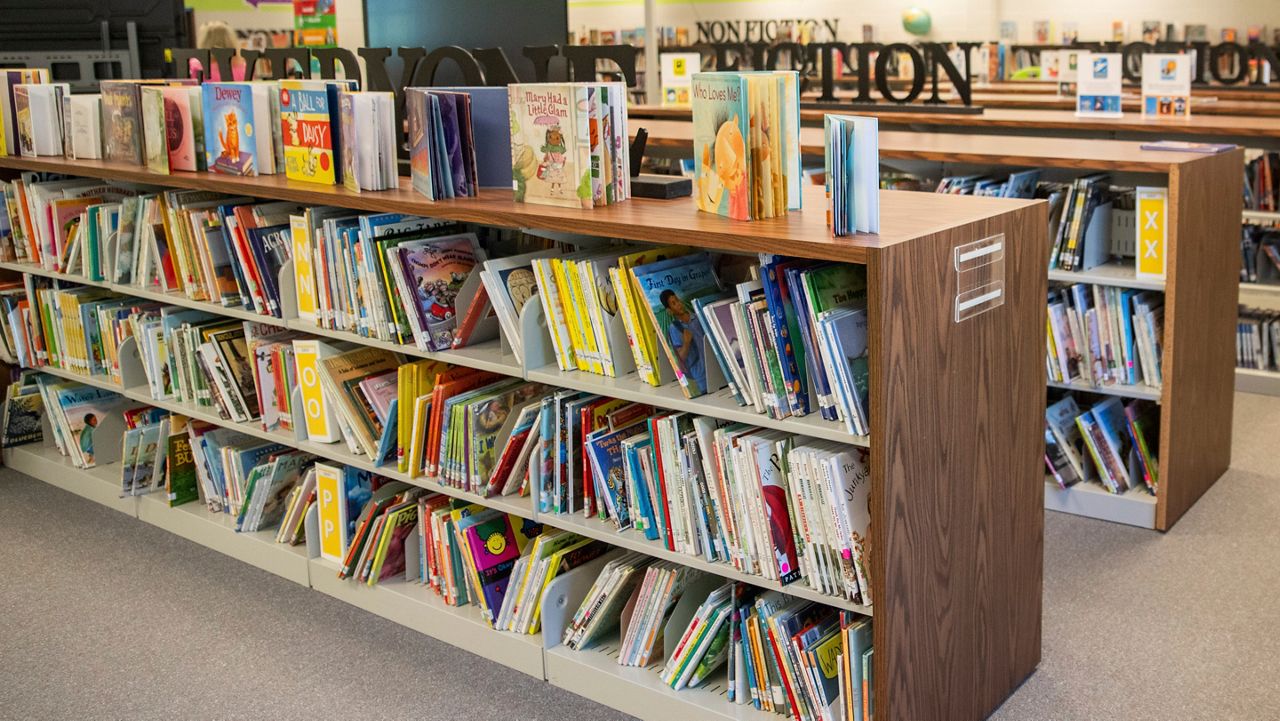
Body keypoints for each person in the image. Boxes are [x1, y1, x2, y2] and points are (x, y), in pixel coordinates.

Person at [660, 289, 706, 394]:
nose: (679, 305)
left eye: (677, 300)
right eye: (673, 303)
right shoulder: (675, 328)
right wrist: (686, 343)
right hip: (699, 374)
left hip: (713, 366)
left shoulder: (697, 317)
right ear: (669, 310)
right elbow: (680, 357)